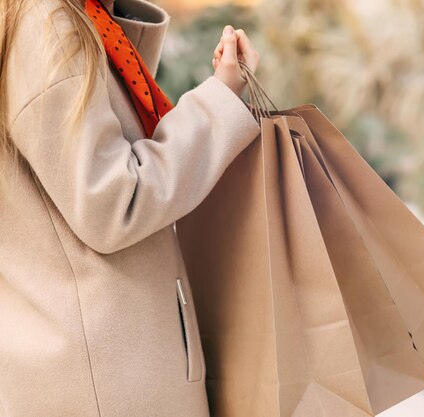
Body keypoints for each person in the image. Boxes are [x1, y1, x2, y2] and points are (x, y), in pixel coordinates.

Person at [0, 0, 261, 415]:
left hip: (92, 367)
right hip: (107, 384)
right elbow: (114, 202)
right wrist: (219, 102)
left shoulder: (51, 17)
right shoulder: (45, 24)